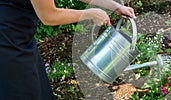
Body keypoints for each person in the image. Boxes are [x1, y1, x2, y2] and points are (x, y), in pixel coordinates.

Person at [0, 0, 135, 99]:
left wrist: (116, 6)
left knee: (41, 93)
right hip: (8, 44)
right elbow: (49, 16)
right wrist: (89, 14)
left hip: (20, 38)